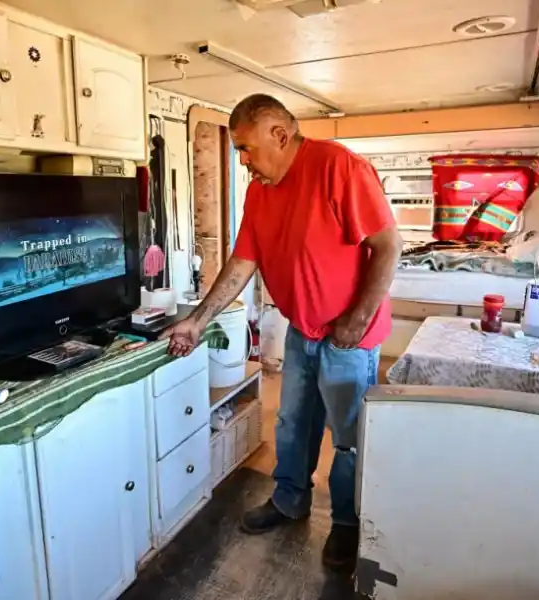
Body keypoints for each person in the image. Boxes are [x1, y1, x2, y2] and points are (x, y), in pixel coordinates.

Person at [160, 93, 402, 571]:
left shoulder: (339, 167)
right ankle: (290, 500)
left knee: (348, 436)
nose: (243, 161)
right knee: (293, 423)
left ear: (279, 134)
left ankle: (348, 523)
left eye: (246, 149)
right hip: (302, 329)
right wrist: (198, 320)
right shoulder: (260, 191)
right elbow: (242, 261)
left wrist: (356, 321)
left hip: (348, 337)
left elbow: (389, 245)